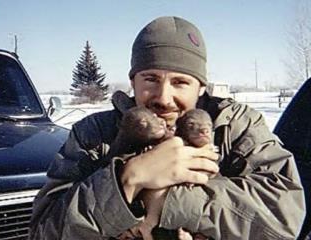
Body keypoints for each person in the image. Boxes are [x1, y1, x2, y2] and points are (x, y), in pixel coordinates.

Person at [29, 16, 305, 240]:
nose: (163, 97)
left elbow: (283, 221)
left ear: (200, 88)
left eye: (180, 82)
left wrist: (166, 200)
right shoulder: (92, 135)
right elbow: (43, 232)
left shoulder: (236, 127)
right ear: (133, 82)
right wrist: (128, 179)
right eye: (150, 79)